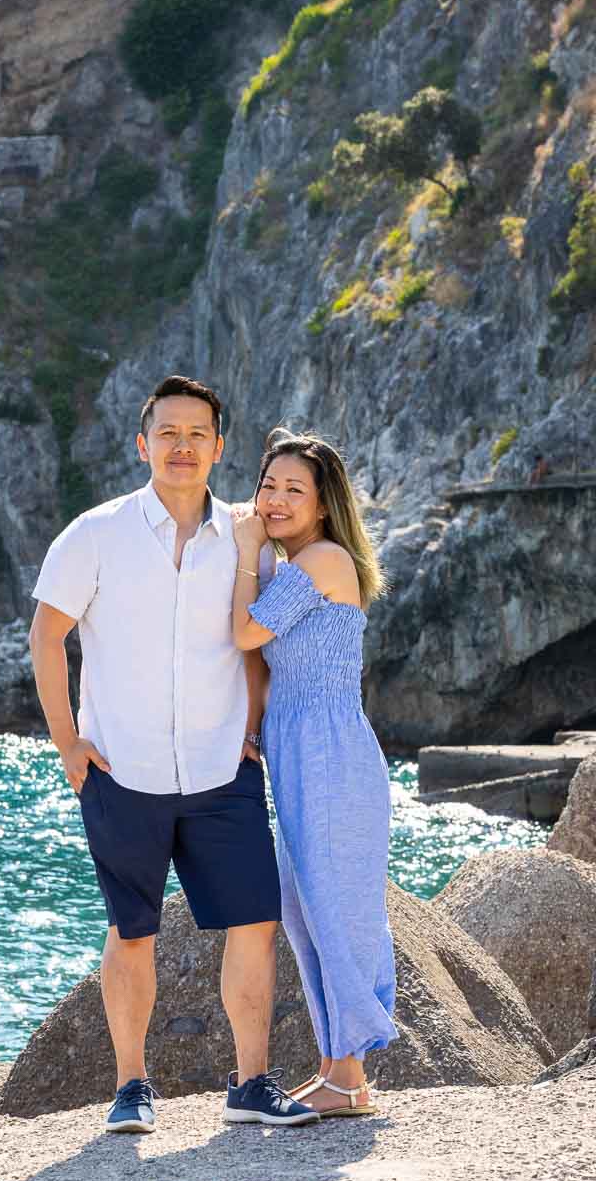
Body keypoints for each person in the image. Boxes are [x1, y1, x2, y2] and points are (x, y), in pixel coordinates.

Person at [29, 377, 320, 1133]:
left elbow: (255, 640)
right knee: (133, 930)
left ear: (219, 447)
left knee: (254, 921)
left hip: (224, 767)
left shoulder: (247, 535)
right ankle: (131, 1087)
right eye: (168, 433)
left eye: (198, 434)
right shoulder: (96, 533)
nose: (183, 446)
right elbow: (45, 635)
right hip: (122, 768)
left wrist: (255, 727)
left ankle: (251, 1084)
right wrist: (68, 742)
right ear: (143, 444)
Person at [231, 429, 398, 1119]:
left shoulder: (324, 559)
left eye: (293, 489)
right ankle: (338, 1073)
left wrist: (245, 553)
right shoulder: (293, 565)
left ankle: (351, 1069)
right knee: (302, 911)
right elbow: (263, 663)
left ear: (324, 505)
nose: (275, 499)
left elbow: (245, 634)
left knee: (334, 906)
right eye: (268, 485)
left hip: (332, 757)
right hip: (299, 754)